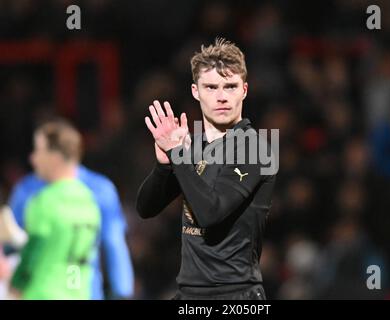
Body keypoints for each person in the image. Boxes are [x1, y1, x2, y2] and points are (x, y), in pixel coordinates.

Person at [136, 38, 277, 300]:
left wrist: (178, 154)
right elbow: (146, 208)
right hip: (188, 295)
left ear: (244, 90)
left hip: (235, 295)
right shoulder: (193, 146)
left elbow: (211, 212)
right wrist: (164, 166)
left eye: (230, 86)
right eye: (211, 87)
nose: (222, 96)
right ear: (195, 91)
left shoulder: (256, 149)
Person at [7, 119, 134, 300]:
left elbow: (20, 244)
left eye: (38, 150)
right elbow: (114, 243)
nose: (32, 158)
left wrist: (16, 284)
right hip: (82, 291)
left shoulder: (33, 194)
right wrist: (123, 293)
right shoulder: (97, 191)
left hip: (41, 291)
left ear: (55, 156)